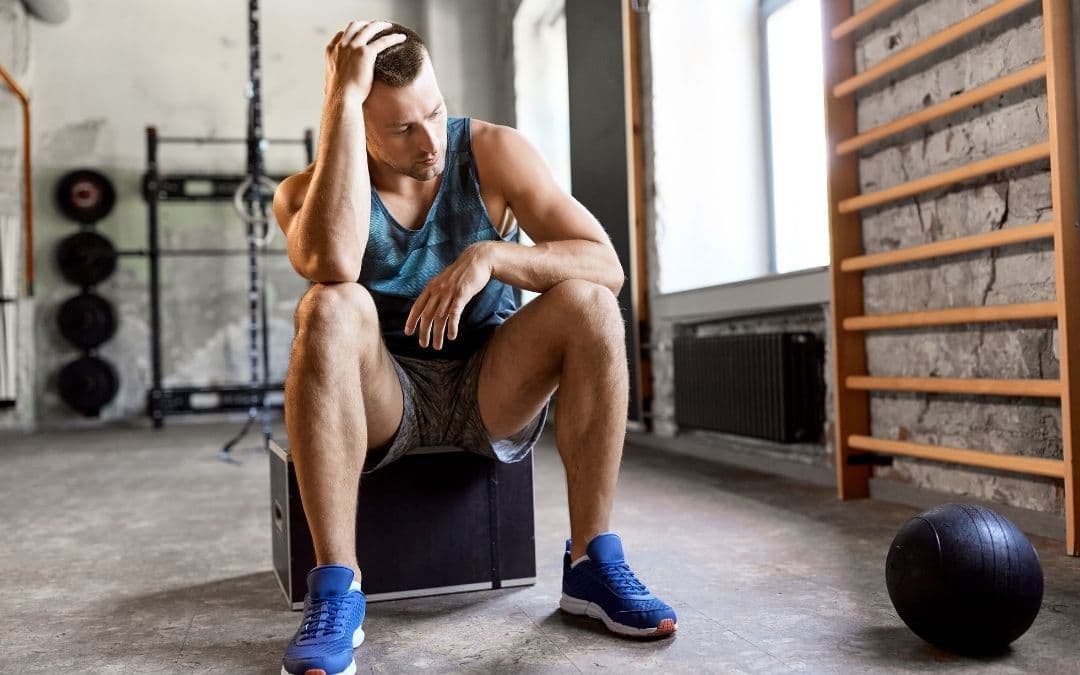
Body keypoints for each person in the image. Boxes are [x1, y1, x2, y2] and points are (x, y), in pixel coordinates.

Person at [274, 19, 677, 675]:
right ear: (357, 122)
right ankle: (337, 587)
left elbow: (605, 263)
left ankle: (591, 562)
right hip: (385, 398)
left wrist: (492, 256)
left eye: (434, 111)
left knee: (591, 304)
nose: (430, 140)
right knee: (329, 302)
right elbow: (330, 258)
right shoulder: (302, 193)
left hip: (493, 383)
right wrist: (340, 102)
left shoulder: (492, 151)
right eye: (401, 128)